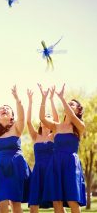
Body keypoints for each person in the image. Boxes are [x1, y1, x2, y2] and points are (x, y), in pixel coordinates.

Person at [39, 84, 86, 213]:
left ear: (78, 110)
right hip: (55, 164)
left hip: (70, 164)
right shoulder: (57, 126)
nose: (69, 106)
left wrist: (62, 98)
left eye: (72, 105)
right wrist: (44, 99)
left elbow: (70, 113)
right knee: (57, 201)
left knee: (72, 200)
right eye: (68, 104)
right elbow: (42, 118)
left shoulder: (79, 126)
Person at [27, 86, 63, 213]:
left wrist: (51, 99)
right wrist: (31, 102)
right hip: (38, 171)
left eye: (49, 117)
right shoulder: (35, 136)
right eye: (44, 117)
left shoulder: (54, 135)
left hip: (52, 170)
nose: (46, 119)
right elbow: (28, 122)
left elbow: (57, 119)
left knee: (57, 203)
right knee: (33, 204)